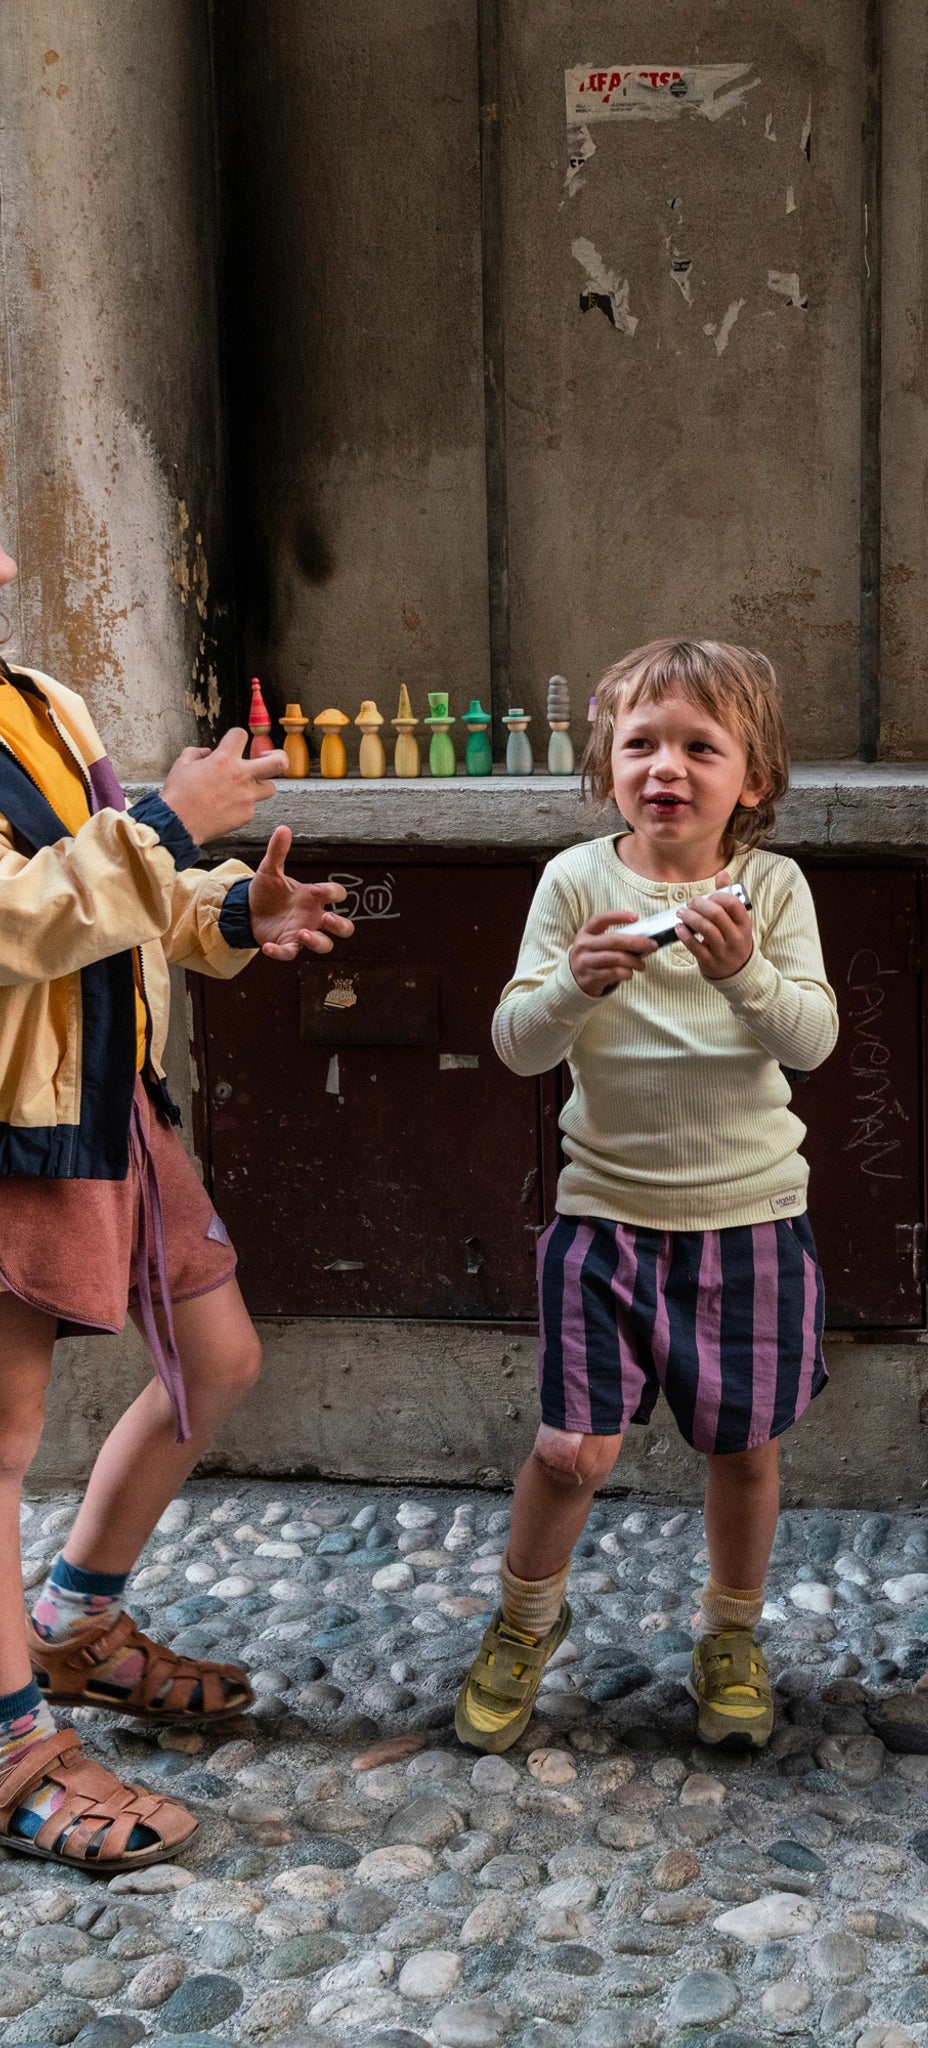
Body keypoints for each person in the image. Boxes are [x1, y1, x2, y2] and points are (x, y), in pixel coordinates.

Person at [0, 536, 353, 1869]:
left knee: (218, 1357)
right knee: (0, 1444)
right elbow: (17, 922)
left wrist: (228, 913)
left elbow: (112, 898)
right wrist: (163, 827)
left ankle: (76, 1626)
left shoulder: (39, 700)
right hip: (11, 1130)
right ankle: (11, 1743)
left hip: (112, 1103)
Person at [458, 638, 838, 1756]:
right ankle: (523, 1623)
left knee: (746, 1446)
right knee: (574, 1447)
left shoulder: (769, 888)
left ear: (750, 779)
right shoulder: (577, 882)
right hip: (604, 1216)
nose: (664, 766)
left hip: (752, 1215)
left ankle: (730, 1634)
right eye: (640, 744)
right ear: (605, 764)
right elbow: (515, 1045)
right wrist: (572, 984)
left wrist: (742, 973)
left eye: (697, 746)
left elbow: (810, 1035)